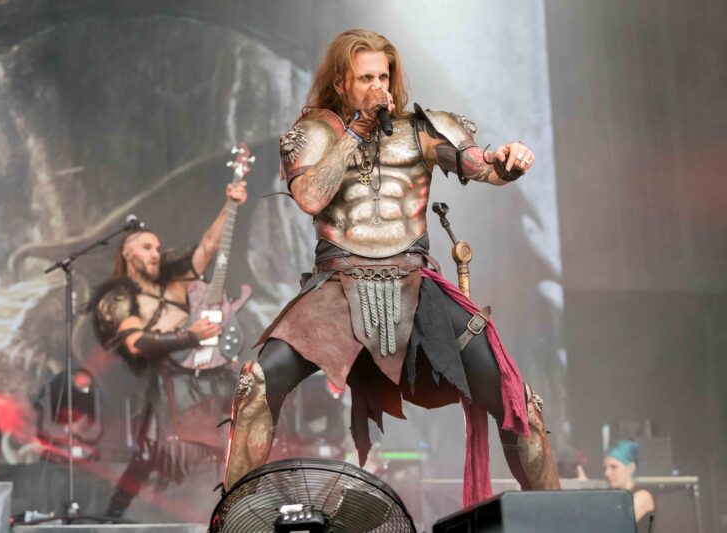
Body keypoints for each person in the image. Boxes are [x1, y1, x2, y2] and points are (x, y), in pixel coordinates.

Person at [222, 28, 560, 506]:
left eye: (384, 76)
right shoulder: (313, 134)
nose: (378, 86)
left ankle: (557, 516)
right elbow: (310, 197)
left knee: (514, 397)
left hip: (416, 285)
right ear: (341, 83)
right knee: (256, 383)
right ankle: (233, 517)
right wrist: (356, 130)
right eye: (366, 78)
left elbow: (480, 165)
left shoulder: (421, 130)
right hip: (337, 287)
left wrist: (506, 163)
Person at [91, 181, 247, 518]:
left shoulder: (175, 284)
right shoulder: (123, 297)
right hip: (170, 382)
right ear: (127, 253)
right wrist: (190, 336)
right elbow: (136, 343)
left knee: (233, 441)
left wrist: (230, 205)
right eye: (146, 247)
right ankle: (112, 515)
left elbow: (209, 246)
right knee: (149, 453)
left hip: (211, 375)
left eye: (157, 247)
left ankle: (243, 509)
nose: (155, 253)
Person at [605, 440, 655, 530]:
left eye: (613, 467)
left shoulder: (643, 496)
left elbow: (617, 526)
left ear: (631, 468)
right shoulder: (615, 497)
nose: (607, 473)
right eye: (606, 468)